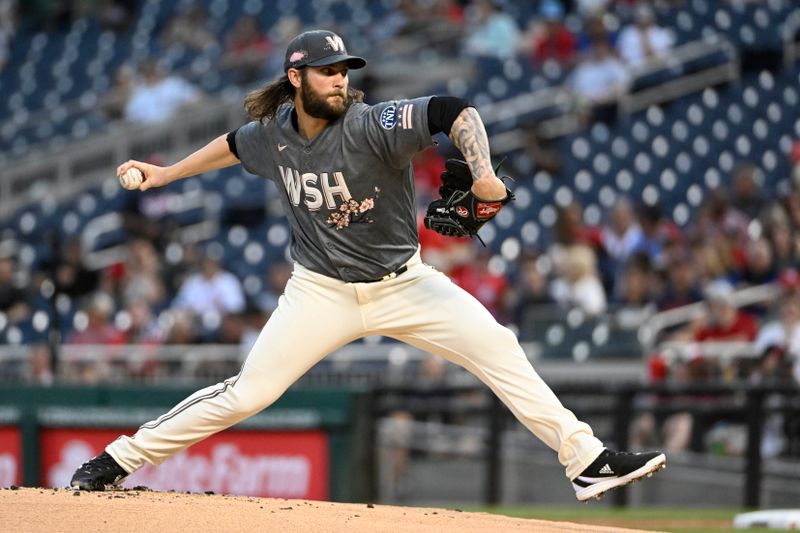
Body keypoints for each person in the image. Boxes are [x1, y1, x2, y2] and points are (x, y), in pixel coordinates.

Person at [70, 29, 665, 501]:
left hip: (405, 284)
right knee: (247, 393)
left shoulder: (370, 123)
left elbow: (454, 110)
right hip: (319, 292)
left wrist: (480, 169)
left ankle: (586, 462)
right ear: (295, 77)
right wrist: (167, 173)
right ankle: (119, 458)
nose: (339, 80)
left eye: (344, 70)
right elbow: (231, 144)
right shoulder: (273, 135)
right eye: (327, 70)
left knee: (500, 349)